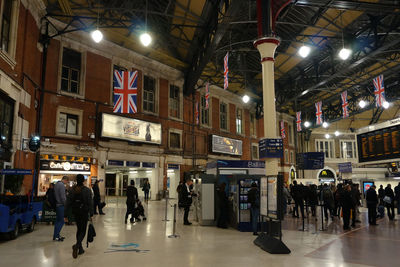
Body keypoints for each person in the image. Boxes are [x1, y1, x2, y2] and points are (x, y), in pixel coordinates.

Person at [65, 174, 93, 258]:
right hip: (84, 212)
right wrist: (91, 213)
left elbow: (68, 202)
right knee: (83, 230)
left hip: (75, 212)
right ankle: (77, 245)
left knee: (79, 229)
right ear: (83, 181)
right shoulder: (87, 190)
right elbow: (90, 202)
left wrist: (65, 214)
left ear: (76, 180)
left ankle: (80, 249)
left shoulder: (72, 190)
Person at [53, 176, 68, 241]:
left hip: (57, 204)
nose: (66, 183)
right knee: (61, 221)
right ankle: (56, 236)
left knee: (57, 221)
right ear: (65, 180)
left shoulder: (57, 184)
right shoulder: (61, 185)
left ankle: (56, 235)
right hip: (61, 205)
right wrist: (66, 204)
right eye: (67, 182)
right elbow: (63, 197)